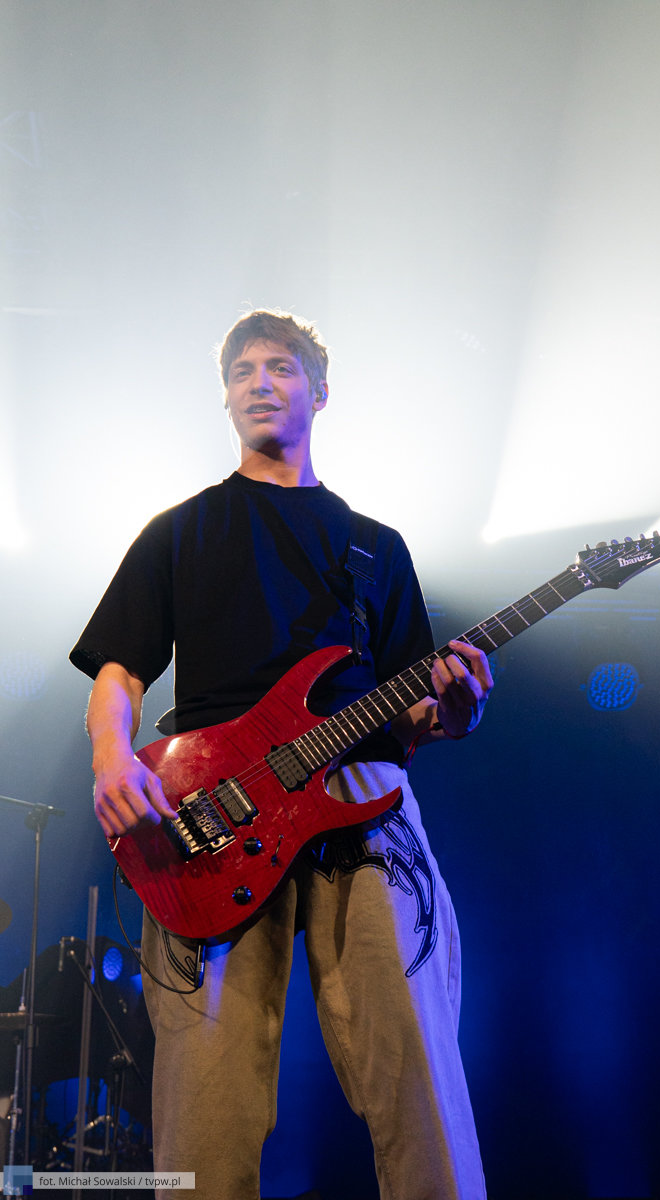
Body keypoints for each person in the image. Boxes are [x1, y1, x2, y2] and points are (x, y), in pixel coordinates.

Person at [70, 309, 493, 1200]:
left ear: (320, 392)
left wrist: (452, 714)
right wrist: (112, 759)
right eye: (240, 371)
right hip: (206, 813)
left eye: (280, 366)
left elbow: (414, 713)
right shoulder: (178, 531)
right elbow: (118, 671)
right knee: (203, 1099)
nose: (258, 382)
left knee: (416, 1070)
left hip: (361, 795)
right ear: (224, 399)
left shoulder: (375, 547)